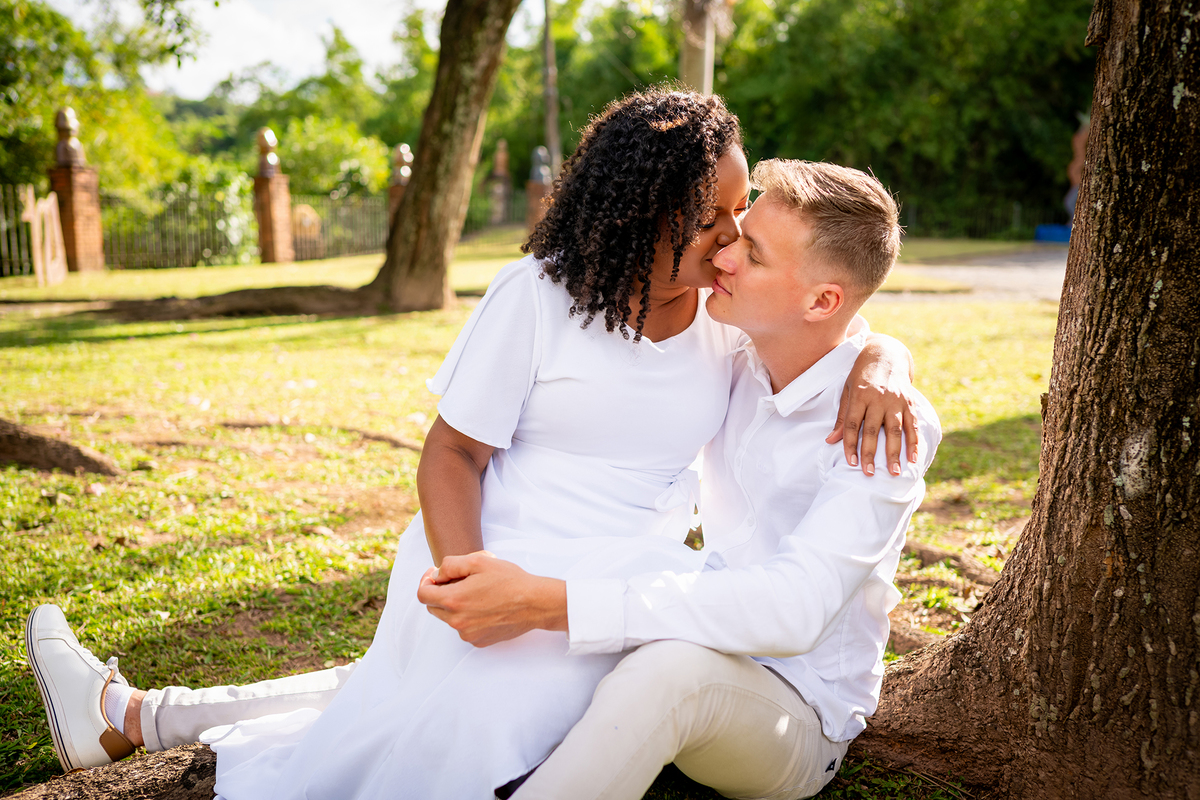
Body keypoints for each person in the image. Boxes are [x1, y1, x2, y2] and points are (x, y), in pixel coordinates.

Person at [24, 91, 918, 798]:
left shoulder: (746, 336)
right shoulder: (592, 307)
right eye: (719, 219)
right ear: (645, 210)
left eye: (742, 230)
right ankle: (133, 716)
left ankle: (137, 716)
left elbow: (830, 311)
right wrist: (472, 578)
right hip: (525, 561)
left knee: (447, 700)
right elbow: (452, 453)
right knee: (418, 684)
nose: (729, 246)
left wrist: (883, 361)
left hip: (642, 596)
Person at [417, 158, 941, 800]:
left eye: (753, 252)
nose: (723, 256)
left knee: (669, 671)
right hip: (698, 630)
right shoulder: (737, 358)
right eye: (736, 230)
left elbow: (796, 610)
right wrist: (885, 350)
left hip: (797, 709)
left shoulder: (884, 430)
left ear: (820, 300)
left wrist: (549, 602)